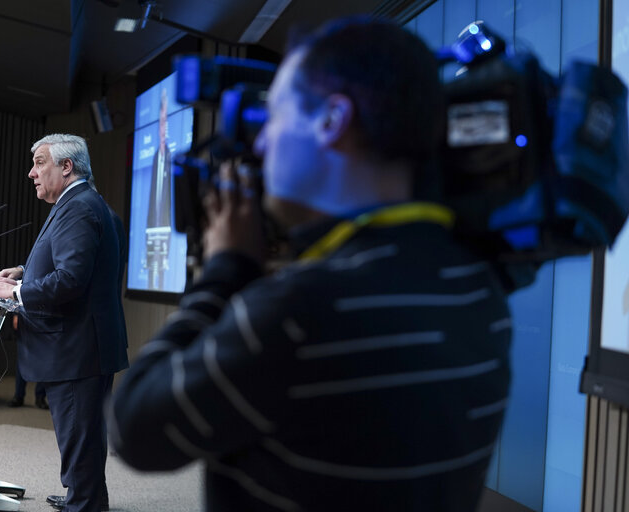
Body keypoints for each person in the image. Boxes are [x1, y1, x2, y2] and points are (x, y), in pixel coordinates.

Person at [108, 16, 511, 511]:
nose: (260, 144)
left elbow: (134, 429)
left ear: (331, 121)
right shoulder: (480, 287)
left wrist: (226, 269)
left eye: (273, 117)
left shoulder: (299, 311)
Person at [0, 133, 129, 512]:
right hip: (82, 344)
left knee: (80, 433)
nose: (32, 173)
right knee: (83, 434)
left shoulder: (78, 207)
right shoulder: (82, 203)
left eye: (40, 163)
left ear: (67, 166)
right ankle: (85, 496)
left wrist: (14, 293)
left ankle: (84, 504)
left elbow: (70, 279)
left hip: (78, 346)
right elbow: (74, 265)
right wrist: (23, 272)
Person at [145, 88, 172, 290]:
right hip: (152, 228)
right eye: (160, 124)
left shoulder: (171, 156)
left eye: (165, 123)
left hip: (166, 229)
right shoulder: (155, 156)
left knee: (162, 278)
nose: (163, 128)